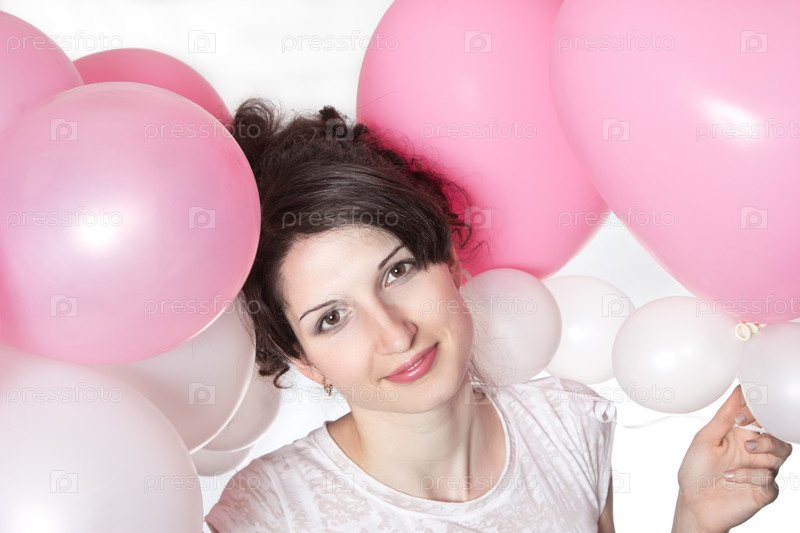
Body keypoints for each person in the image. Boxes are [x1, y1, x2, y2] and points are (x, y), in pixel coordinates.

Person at [206, 100, 792, 532]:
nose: (396, 334)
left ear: (450, 262)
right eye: (332, 318)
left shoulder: (567, 425)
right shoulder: (271, 511)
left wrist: (695, 518)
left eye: (397, 272)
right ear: (304, 361)